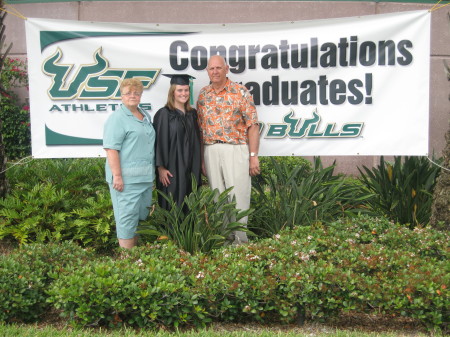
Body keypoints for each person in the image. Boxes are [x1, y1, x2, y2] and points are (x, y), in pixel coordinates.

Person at [197, 55, 260, 245]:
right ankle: (223, 240)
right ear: (207, 71)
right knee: (218, 196)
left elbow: (253, 125)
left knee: (238, 194)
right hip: (210, 150)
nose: (215, 72)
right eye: (211, 68)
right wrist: (201, 158)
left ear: (227, 69)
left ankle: (240, 241)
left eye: (218, 68)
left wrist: (253, 156)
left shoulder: (240, 92)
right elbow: (200, 129)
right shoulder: (203, 94)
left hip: (235, 148)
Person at [103, 78, 155, 249]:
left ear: (140, 95)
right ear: (121, 96)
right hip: (125, 181)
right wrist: (117, 176)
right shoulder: (117, 118)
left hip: (145, 178)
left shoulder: (144, 115)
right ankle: (127, 263)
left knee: (139, 219)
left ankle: (135, 259)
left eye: (136, 93)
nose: (133, 96)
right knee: (126, 220)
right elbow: (111, 149)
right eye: (128, 93)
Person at [153, 74, 201, 210]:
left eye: (186, 90)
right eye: (180, 90)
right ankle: (170, 232)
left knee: (190, 202)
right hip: (172, 168)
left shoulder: (192, 114)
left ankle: (189, 232)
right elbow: (159, 142)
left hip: (191, 167)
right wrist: (161, 168)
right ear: (172, 92)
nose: (183, 93)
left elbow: (197, 142)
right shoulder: (164, 114)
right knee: (172, 202)